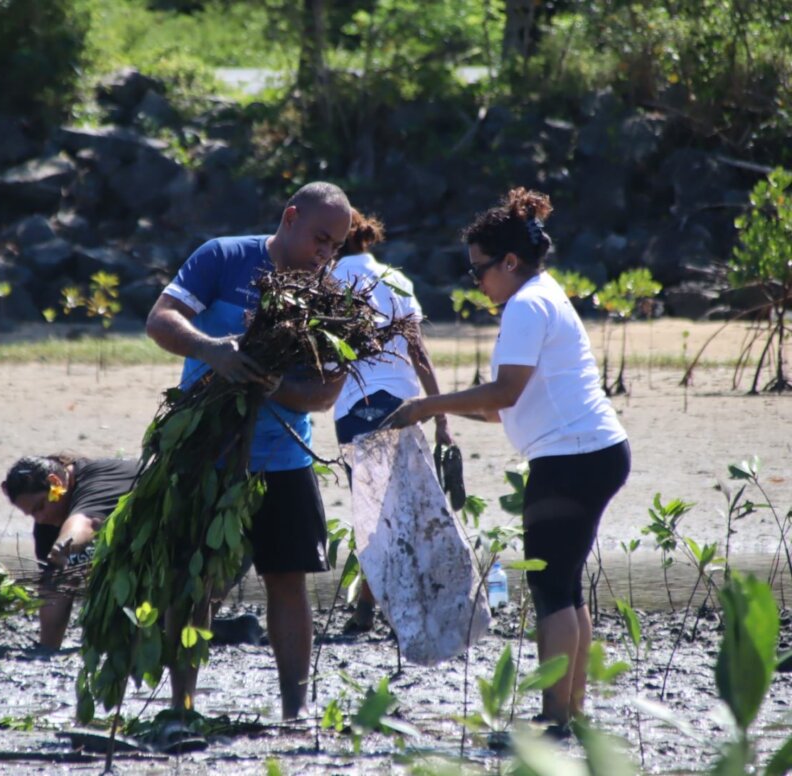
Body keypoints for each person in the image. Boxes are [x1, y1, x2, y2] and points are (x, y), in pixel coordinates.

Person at [384, 188, 630, 734]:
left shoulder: (525, 305)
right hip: (595, 452)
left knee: (550, 588)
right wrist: (439, 412)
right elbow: (499, 410)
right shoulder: (543, 296)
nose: (478, 283)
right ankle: (571, 711)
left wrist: (428, 403)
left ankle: (553, 717)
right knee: (564, 585)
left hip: (573, 458)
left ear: (510, 262)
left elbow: (506, 392)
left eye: (479, 271)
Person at [145, 181, 352, 719]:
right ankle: (182, 706)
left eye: (336, 247)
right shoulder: (224, 256)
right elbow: (160, 320)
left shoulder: (330, 296)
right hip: (207, 453)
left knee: (288, 583)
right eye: (320, 240)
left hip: (284, 459)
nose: (326, 255)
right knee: (196, 585)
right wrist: (210, 350)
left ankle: (295, 711)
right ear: (290, 218)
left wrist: (271, 386)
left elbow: (325, 395)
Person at [329, 208, 453, 632]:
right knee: (398, 509)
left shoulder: (329, 281)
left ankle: (368, 611)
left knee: (373, 513)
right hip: (404, 406)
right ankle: (381, 605)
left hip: (355, 408)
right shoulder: (396, 280)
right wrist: (439, 417)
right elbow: (420, 353)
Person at [2, 454, 140, 650]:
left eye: (40, 507)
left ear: (55, 482)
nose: (40, 518)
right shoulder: (48, 522)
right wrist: (46, 653)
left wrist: (63, 545)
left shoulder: (98, 481)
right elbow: (55, 588)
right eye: (32, 514)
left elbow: (86, 524)